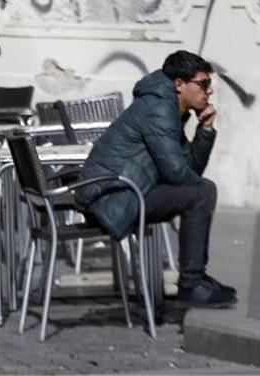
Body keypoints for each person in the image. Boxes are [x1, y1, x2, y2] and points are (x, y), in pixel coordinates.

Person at [74, 50, 236, 308]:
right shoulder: (160, 109)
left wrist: (204, 129)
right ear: (180, 84)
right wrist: (191, 177)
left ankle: (195, 279)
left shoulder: (170, 108)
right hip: (112, 200)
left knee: (202, 190)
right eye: (204, 84)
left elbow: (189, 170)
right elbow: (178, 174)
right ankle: (192, 283)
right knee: (203, 192)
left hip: (124, 192)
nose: (210, 91)